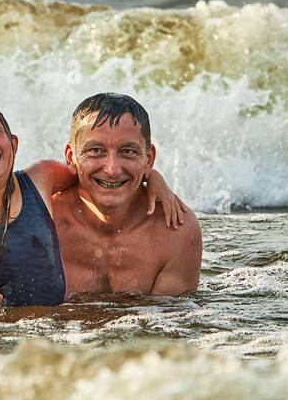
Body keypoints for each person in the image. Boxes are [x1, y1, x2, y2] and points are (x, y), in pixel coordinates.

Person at [0, 100, 188, 305]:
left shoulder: (42, 178)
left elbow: (91, 173)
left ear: (14, 144)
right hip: (12, 328)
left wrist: (151, 176)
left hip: (55, 321)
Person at [48, 93, 201, 297]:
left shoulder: (176, 232)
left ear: (149, 159)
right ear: (71, 157)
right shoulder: (42, 222)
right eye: (95, 150)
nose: (112, 169)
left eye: (128, 151)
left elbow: (169, 321)